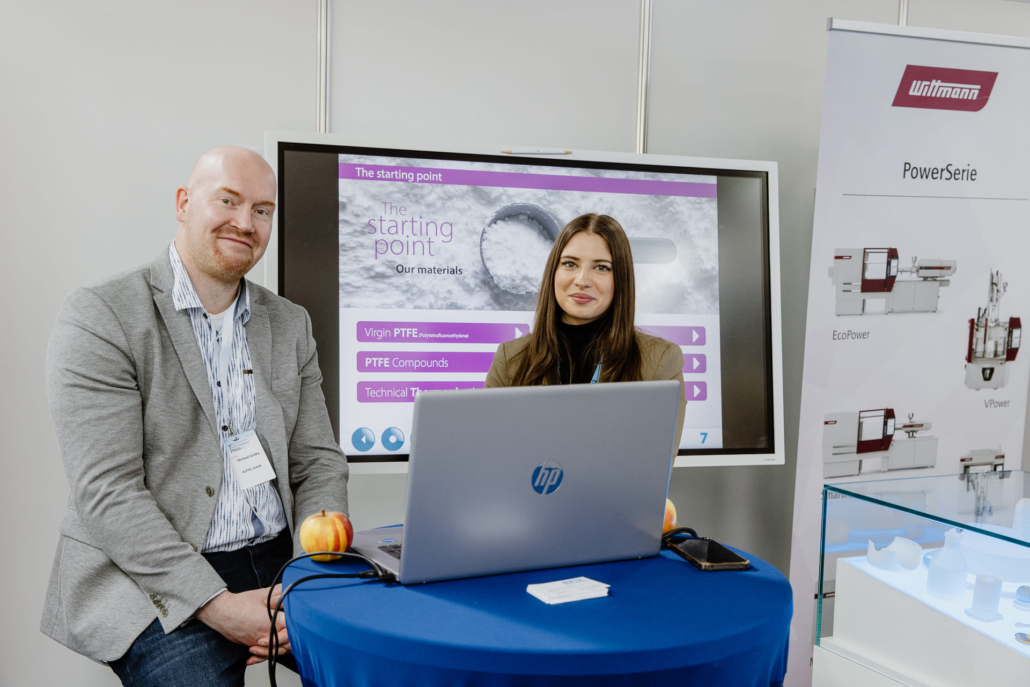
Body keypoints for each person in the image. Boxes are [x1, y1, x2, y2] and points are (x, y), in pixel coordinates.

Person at [42, 146, 348, 686]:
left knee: (385, 662)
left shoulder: (290, 323)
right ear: (184, 203)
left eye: (262, 210)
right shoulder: (102, 315)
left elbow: (318, 462)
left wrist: (306, 580)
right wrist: (217, 604)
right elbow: (108, 493)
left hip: (281, 561)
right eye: (227, 201)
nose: (245, 222)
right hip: (156, 576)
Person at [484, 213, 686, 445]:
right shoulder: (510, 358)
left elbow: (654, 463)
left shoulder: (660, 361)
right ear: (553, 272)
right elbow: (490, 452)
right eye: (570, 264)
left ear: (621, 279)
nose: (582, 280)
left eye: (601, 267)